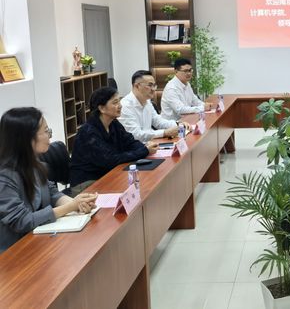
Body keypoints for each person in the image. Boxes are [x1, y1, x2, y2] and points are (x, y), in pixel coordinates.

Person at [0, 107, 97, 253]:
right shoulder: (4, 177)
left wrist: (77, 203)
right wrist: (71, 206)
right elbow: (22, 221)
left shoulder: (35, 164)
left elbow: (52, 193)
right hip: (15, 252)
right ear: (27, 138)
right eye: (46, 131)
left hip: (39, 241)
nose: (50, 135)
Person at [70, 87, 157, 193]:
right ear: (102, 108)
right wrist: (144, 150)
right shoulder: (88, 132)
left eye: (119, 101)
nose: (120, 105)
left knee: (143, 184)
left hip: (108, 174)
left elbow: (130, 142)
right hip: (86, 183)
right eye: (115, 102)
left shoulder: (113, 123)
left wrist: (144, 148)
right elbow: (111, 160)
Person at [119, 70, 180, 142]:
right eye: (150, 85)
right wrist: (164, 133)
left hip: (150, 143)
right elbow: (135, 135)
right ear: (137, 86)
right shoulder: (125, 106)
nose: (153, 89)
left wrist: (178, 124)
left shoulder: (147, 101)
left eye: (154, 85)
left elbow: (158, 122)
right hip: (135, 147)